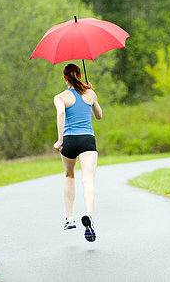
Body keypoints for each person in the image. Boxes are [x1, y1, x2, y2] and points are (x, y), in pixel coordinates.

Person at [53, 63, 103, 242]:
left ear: (65, 78)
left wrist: (60, 140)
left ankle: (69, 218)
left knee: (69, 175)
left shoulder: (60, 97)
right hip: (87, 140)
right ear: (80, 75)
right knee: (88, 179)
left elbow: (61, 115)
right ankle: (88, 215)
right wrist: (91, 92)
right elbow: (99, 116)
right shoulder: (90, 94)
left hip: (69, 140)